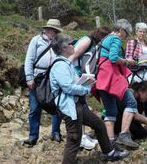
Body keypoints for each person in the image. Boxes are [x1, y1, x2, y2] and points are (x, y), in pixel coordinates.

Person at [50, 34, 129, 164]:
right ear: (64, 48)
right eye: (71, 43)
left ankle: (110, 152)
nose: (73, 45)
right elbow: (68, 87)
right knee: (74, 138)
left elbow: (72, 84)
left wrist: (86, 82)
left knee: (98, 125)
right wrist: (86, 89)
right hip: (70, 107)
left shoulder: (66, 63)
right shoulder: (60, 65)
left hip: (76, 105)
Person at [93, 19, 139, 149]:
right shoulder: (116, 39)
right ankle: (124, 135)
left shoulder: (105, 38)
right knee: (131, 102)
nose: (127, 36)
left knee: (110, 110)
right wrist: (127, 62)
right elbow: (113, 57)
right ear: (121, 30)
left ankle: (110, 144)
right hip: (111, 76)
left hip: (102, 77)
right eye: (127, 33)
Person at [69, 26, 111, 150]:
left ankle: (82, 135)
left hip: (82, 76)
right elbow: (72, 56)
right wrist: (73, 75)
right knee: (79, 106)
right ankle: (80, 138)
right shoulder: (87, 40)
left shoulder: (95, 44)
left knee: (82, 104)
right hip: (76, 74)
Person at [23, 19, 63, 147]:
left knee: (56, 106)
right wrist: (29, 78)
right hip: (37, 77)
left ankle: (56, 132)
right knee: (35, 107)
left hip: (54, 77)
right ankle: (33, 136)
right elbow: (29, 59)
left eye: (57, 30)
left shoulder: (58, 42)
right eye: (53, 30)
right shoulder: (36, 40)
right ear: (47, 29)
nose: (55, 32)